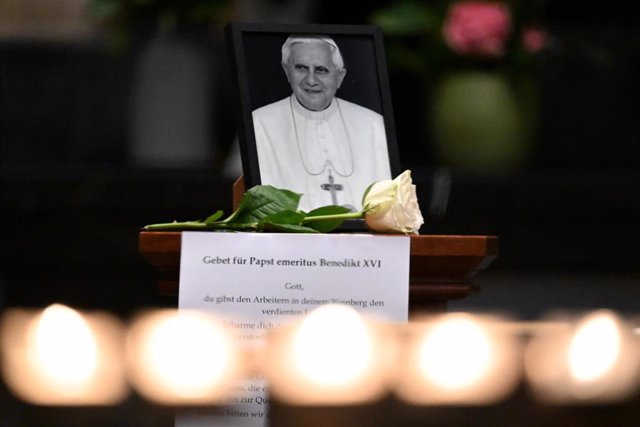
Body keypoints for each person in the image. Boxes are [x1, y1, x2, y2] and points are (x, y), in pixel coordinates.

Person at [252, 35, 391, 212]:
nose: (311, 80)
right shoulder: (260, 123)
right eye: (301, 68)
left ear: (339, 77)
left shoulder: (373, 124)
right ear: (287, 71)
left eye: (321, 70)